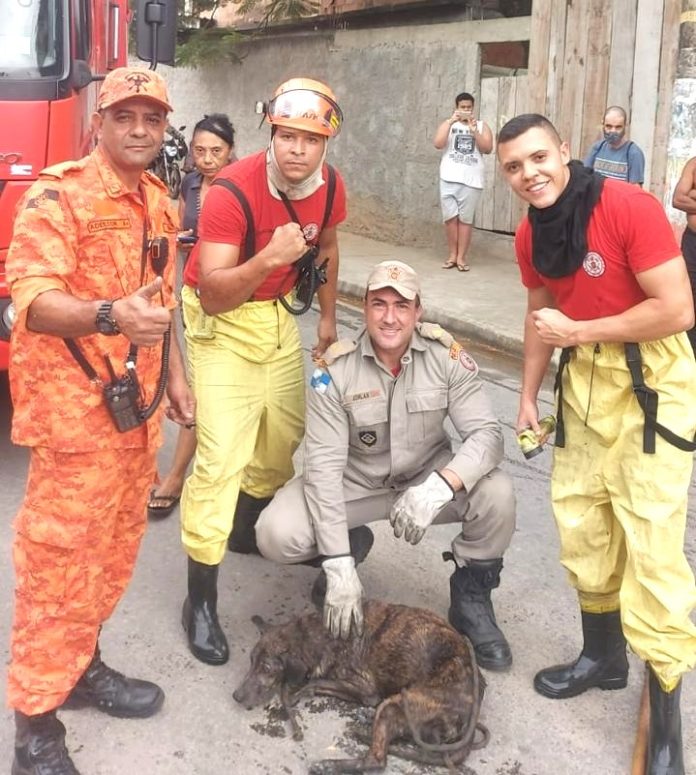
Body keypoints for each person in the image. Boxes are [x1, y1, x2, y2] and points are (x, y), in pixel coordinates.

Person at [5, 67, 194, 773]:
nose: (140, 129)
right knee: (57, 570)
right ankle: (34, 728)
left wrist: (175, 378)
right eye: (126, 117)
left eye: (152, 118)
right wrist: (111, 313)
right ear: (101, 123)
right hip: (73, 424)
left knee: (111, 560)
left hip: (134, 422)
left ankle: (79, 668)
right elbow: (32, 300)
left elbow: (165, 301)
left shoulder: (160, 200)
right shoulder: (58, 194)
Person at [497, 113, 696, 774]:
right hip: (582, 386)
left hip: (650, 383)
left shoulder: (628, 205)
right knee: (582, 522)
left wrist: (580, 334)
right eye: (514, 168)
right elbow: (538, 311)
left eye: (537, 158)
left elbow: (676, 308)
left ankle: (665, 713)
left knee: (651, 543)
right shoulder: (531, 233)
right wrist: (528, 394)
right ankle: (603, 656)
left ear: (563, 151)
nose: (529, 174)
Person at [256, 260, 517, 672]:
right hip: (355, 485)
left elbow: (488, 435)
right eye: (379, 304)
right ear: (365, 308)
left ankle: (471, 600)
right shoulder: (334, 372)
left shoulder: (446, 357)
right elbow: (322, 470)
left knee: (497, 493)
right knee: (275, 533)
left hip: (426, 482)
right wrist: (337, 562)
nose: (390, 317)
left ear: (418, 311)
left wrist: (442, 485)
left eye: (401, 305)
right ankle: (347, 546)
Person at [178, 77, 347, 666]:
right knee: (222, 456)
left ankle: (245, 530)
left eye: (310, 138)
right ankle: (199, 597)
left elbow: (326, 247)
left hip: (276, 317)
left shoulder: (328, 188)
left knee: (282, 440)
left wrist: (326, 320)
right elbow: (216, 293)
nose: (298, 149)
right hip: (222, 320)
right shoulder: (230, 190)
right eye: (287, 135)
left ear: (326, 144)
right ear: (271, 133)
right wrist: (271, 257)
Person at [147, 113, 237, 518]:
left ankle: (179, 475)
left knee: (206, 388)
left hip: (233, 304)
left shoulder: (245, 188)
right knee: (200, 386)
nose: (207, 159)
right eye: (199, 151)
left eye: (215, 151)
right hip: (194, 294)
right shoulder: (189, 183)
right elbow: (184, 228)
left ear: (230, 152)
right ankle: (188, 472)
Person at [433, 91, 493, 272]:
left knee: (465, 220)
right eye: (462, 107)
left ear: (473, 108)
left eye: (469, 107)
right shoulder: (448, 124)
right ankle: (452, 254)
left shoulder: (482, 126)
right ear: (456, 108)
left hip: (471, 179)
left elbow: (488, 148)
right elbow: (438, 143)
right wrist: (451, 121)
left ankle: (461, 257)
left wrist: (474, 131)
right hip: (449, 176)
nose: (466, 110)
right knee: (450, 218)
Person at [671, 155, 696, 356]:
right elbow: (678, 199)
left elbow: (686, 198)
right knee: (689, 296)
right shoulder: (693, 164)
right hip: (692, 244)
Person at [583, 105, 645, 185]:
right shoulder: (597, 148)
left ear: (625, 126)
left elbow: (635, 191)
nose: (613, 131)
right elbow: (584, 179)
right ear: (603, 124)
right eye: (609, 126)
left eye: (618, 127)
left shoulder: (634, 153)